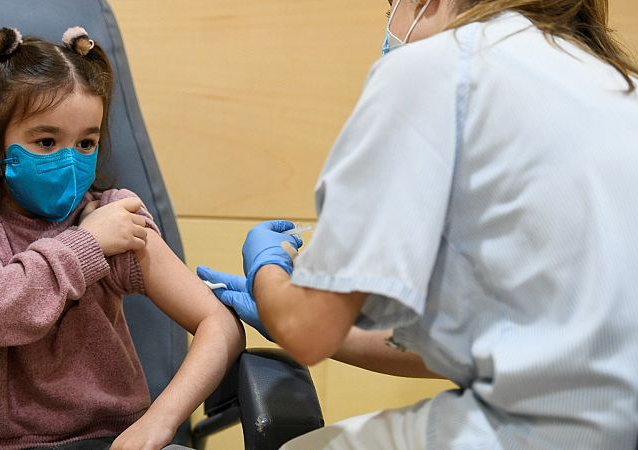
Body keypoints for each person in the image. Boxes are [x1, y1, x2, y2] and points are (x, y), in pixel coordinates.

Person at [198, 0, 638, 448]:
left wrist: (269, 273)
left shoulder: (440, 69)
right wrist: (310, 321)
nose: (392, 24)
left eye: (392, 6)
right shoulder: (616, 86)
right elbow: (511, 342)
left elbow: (306, 330)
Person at [0, 26, 244, 450]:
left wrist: (160, 421)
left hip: (109, 440)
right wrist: (85, 245)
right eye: (46, 141)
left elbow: (219, 324)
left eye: (86, 143)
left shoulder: (115, 218)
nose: (70, 161)